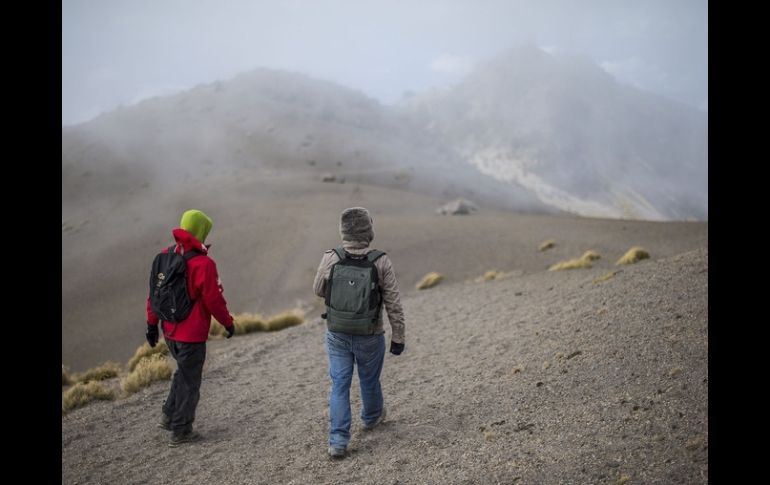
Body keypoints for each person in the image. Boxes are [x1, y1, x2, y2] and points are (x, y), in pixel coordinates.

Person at [313, 207, 406, 459]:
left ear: (343, 231)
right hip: (370, 334)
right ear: (368, 230)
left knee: (339, 385)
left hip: (337, 333)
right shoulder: (381, 260)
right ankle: (372, 417)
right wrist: (398, 336)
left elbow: (318, 289)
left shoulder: (331, 256)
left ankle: (338, 441)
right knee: (369, 379)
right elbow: (393, 302)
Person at [145, 209, 236, 447]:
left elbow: (154, 295)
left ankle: (168, 414)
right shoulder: (203, 264)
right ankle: (181, 430)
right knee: (190, 380)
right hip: (192, 333)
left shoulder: (164, 256)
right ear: (201, 231)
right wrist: (227, 322)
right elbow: (213, 299)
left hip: (170, 331)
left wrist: (151, 324)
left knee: (183, 372)